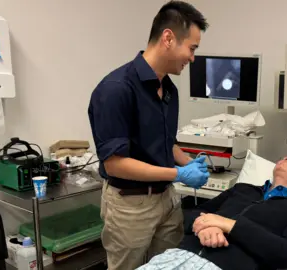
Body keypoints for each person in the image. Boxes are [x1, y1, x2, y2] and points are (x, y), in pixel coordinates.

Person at [87, 1, 209, 269]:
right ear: (168, 38)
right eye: (192, 48)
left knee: (169, 265)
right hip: (130, 205)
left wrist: (188, 163)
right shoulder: (116, 90)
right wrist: (178, 174)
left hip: (166, 199)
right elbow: (115, 164)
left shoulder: (168, 90)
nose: (192, 58)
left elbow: (167, 141)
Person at [137, 155, 287, 270]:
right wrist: (205, 225)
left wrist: (228, 225)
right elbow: (187, 214)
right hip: (178, 257)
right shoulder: (242, 189)